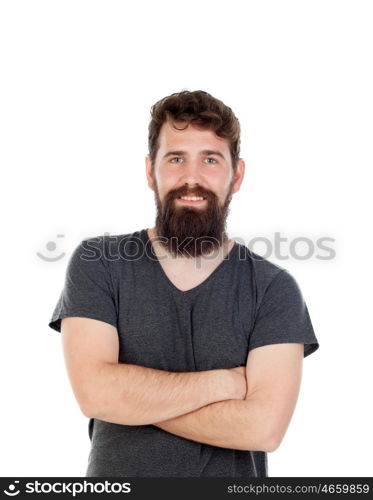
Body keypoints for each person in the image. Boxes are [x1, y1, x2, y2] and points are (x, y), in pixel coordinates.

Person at [48, 89, 319, 477]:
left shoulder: (273, 288)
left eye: (210, 159)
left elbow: (264, 428)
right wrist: (226, 383)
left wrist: (133, 400)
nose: (192, 178)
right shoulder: (98, 263)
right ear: (149, 170)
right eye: (176, 158)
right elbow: (96, 395)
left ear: (236, 174)